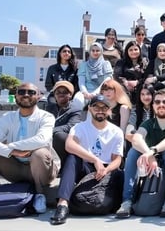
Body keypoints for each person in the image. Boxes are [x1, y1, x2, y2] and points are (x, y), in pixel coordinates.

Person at [0, 83, 58, 215]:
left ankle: (39, 196)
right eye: (22, 92)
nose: (26, 95)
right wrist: (11, 152)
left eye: (31, 92)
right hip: (15, 167)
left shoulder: (46, 117)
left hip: (42, 169)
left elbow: (42, 139)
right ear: (15, 96)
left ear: (38, 96)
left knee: (40, 153)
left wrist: (10, 146)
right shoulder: (8, 117)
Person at [49, 95, 124, 225]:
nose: (100, 110)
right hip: (86, 166)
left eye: (104, 107)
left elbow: (117, 160)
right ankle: (62, 205)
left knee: (118, 172)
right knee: (72, 158)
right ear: (89, 109)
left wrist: (106, 169)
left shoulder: (116, 131)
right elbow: (69, 145)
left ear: (110, 110)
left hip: (106, 169)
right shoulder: (80, 127)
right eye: (96, 107)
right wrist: (95, 159)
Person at [116, 89, 165, 218]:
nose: (161, 104)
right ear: (153, 105)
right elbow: (137, 138)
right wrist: (150, 156)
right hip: (150, 167)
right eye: (157, 102)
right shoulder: (148, 123)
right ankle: (126, 201)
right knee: (133, 152)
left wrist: (151, 152)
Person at [46, 81, 84, 167]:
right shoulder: (49, 108)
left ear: (70, 95)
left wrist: (50, 131)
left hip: (66, 141)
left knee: (58, 135)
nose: (61, 94)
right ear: (54, 95)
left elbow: (71, 126)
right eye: (58, 92)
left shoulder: (75, 109)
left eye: (65, 92)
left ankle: (61, 166)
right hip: (49, 137)